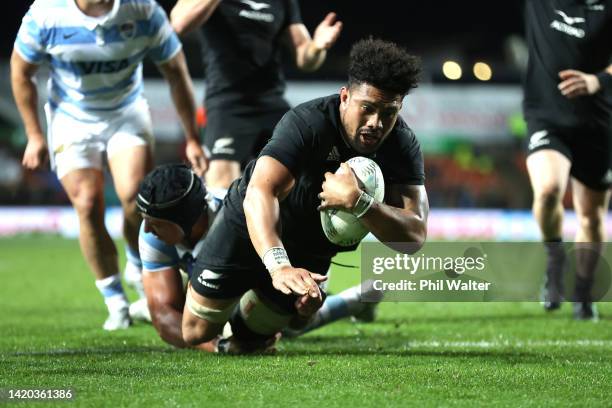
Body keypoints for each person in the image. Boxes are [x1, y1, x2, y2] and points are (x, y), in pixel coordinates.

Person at [181, 38, 428, 348]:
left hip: (312, 248)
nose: (376, 123)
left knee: (254, 342)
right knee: (195, 332)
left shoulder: (402, 144)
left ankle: (293, 307)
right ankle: (200, 275)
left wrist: (360, 203)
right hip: (251, 225)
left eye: (388, 113)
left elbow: (415, 236)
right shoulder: (308, 123)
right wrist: (278, 265)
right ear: (345, 97)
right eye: (367, 108)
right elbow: (260, 190)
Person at [11, 0, 207, 330]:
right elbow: (20, 71)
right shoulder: (46, 12)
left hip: (125, 113)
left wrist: (191, 136)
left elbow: (175, 69)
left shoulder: (142, 10)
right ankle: (115, 299)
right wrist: (34, 134)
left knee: (135, 198)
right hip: (72, 118)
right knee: (87, 203)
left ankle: (135, 262)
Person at [136, 163, 380, 353]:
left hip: (283, 267)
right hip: (216, 282)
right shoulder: (153, 235)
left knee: (265, 325)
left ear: (187, 218)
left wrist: (301, 312)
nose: (146, 229)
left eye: (155, 223)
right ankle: (359, 300)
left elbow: (289, 304)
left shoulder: (241, 218)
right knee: (203, 318)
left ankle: (357, 299)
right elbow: (163, 313)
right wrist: (219, 345)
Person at [170, 0, 342, 200]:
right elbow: (179, 24)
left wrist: (317, 47)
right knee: (221, 186)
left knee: (299, 181)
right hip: (227, 104)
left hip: (271, 102)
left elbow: (305, 58)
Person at [523, 0, 612, 320]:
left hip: (597, 123)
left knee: (591, 215)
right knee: (547, 191)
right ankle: (555, 259)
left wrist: (597, 80)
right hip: (546, 117)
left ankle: (583, 294)